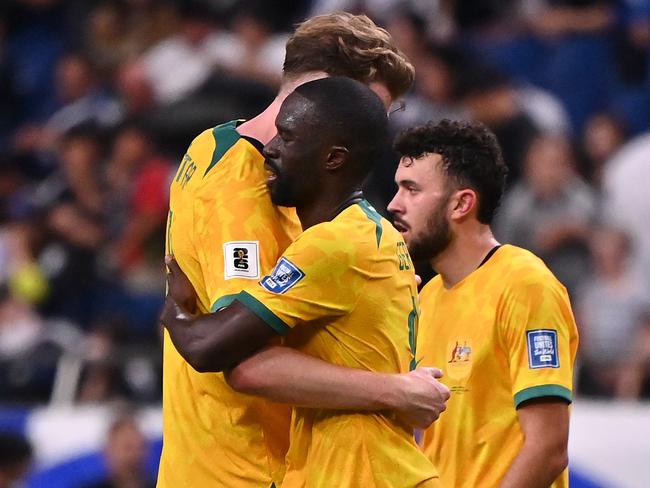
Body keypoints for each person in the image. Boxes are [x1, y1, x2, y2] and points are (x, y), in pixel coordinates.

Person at [159, 13, 448, 487]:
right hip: (248, 468)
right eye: (363, 107)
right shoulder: (243, 183)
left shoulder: (212, 145)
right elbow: (243, 359)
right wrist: (394, 390)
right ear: (319, 95)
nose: (371, 133)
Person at [387, 119, 579, 488]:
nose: (395, 204)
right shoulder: (424, 297)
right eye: (398, 189)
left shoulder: (525, 284)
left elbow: (549, 447)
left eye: (411, 190)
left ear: (461, 204)